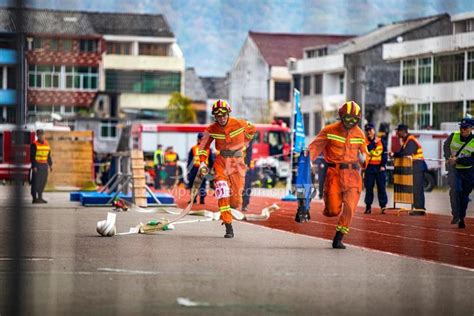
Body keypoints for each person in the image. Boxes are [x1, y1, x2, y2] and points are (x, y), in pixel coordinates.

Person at [309, 101, 369, 249]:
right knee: (332, 210)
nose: (351, 122)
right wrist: (307, 161)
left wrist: (364, 159)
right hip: (334, 174)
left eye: (355, 119)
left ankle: (338, 238)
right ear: (341, 116)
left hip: (353, 175)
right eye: (348, 118)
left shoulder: (360, 134)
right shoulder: (329, 130)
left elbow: (366, 155)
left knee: (350, 207)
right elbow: (314, 147)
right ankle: (328, 208)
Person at [198, 99, 256, 238]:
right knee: (222, 191)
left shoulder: (240, 123)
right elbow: (203, 147)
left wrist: (245, 143)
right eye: (218, 116)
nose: (222, 118)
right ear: (215, 117)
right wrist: (202, 163)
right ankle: (228, 225)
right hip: (221, 163)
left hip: (237, 163)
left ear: (228, 113)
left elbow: (252, 130)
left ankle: (231, 208)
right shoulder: (211, 129)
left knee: (236, 201)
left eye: (224, 115)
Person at [443, 117, 474, 228]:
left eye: (465, 128)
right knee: (455, 190)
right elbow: (446, 146)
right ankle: (456, 215)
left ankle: (461, 217)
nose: (462, 130)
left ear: (471, 128)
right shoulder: (453, 136)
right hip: (454, 170)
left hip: (468, 172)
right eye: (461, 127)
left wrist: (458, 160)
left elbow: (472, 160)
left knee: (464, 196)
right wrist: (448, 158)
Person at [389, 124, 427, 214]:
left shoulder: (411, 140)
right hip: (414, 167)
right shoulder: (406, 141)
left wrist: (394, 154)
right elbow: (402, 152)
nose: (397, 133)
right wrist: (394, 154)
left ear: (403, 131)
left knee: (417, 189)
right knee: (415, 189)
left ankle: (420, 210)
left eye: (398, 131)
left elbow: (406, 153)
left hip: (418, 166)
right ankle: (418, 209)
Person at [363, 123, 388, 214]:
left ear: (374, 130)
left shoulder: (381, 141)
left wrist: (382, 165)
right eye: (367, 130)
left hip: (379, 168)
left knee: (381, 188)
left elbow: (384, 154)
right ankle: (368, 207)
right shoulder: (364, 142)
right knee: (369, 188)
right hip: (369, 168)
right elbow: (366, 151)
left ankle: (383, 206)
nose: (368, 132)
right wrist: (373, 143)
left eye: (370, 130)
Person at [187, 133, 214, 204]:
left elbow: (211, 160)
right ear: (198, 139)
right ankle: (194, 199)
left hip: (203, 169)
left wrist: (212, 168)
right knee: (193, 184)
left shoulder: (208, 149)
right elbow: (190, 159)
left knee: (202, 184)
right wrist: (189, 169)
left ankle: (202, 199)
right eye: (200, 139)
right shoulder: (193, 148)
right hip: (194, 168)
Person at [30, 129, 53, 204]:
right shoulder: (34, 144)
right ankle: (34, 198)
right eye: (39, 135)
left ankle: (40, 197)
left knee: (43, 182)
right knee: (35, 182)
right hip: (37, 165)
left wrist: (50, 164)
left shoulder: (47, 144)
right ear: (37, 136)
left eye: (42, 134)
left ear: (44, 135)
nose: (41, 136)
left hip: (44, 166)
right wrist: (34, 166)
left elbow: (48, 156)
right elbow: (32, 157)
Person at [242, 138, 255, 212]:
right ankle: (232, 204)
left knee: (246, 185)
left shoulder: (248, 140)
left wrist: (247, 164)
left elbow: (249, 153)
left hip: (245, 166)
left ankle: (245, 204)